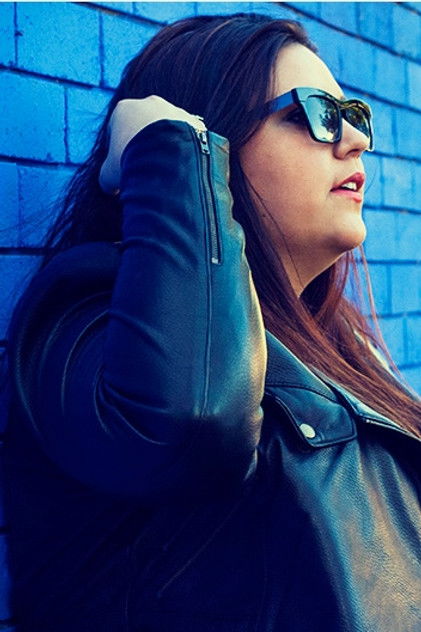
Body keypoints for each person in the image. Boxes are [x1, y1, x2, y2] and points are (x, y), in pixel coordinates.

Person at [3, 12, 421, 632]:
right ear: (211, 140)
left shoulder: (338, 343)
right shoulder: (98, 312)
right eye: (315, 112)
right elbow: (190, 424)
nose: (355, 139)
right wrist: (166, 147)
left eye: (353, 114)